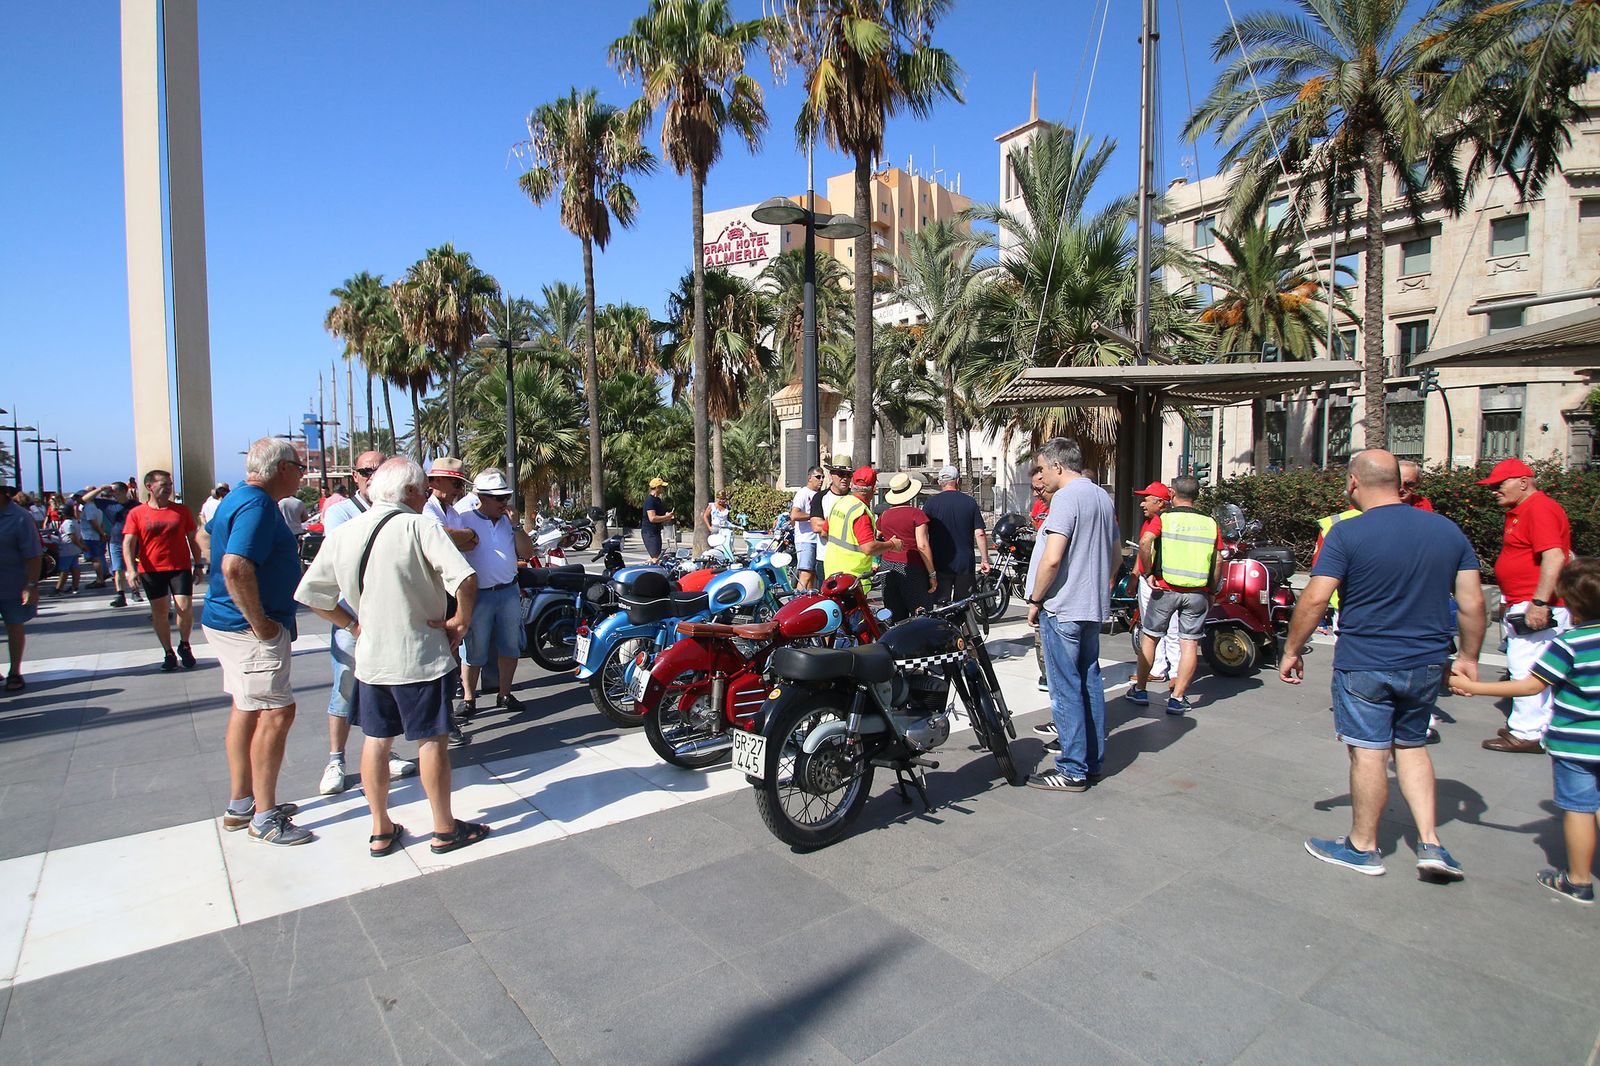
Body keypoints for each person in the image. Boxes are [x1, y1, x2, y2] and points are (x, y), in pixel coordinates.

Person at [1280, 449, 1484, 880]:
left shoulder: (1348, 533)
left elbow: (1316, 597)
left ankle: (1362, 846)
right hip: (1427, 661)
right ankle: (1431, 843)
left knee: (1369, 753)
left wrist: (1292, 649)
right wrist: (1468, 657)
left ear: (1354, 482)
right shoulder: (1447, 531)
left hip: (1366, 661)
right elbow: (1472, 602)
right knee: (1411, 746)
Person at [295, 457, 489, 859]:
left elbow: (313, 595)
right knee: (432, 741)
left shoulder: (346, 532)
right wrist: (461, 621)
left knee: (376, 740)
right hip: (421, 654)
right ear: (412, 492)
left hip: (371, 658)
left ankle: (381, 829)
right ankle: (443, 827)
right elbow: (465, 577)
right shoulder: (420, 526)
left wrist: (352, 625)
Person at [1450, 556, 1600, 904]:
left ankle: (1578, 880)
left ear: (1573, 603)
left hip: (1575, 743)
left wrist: (1474, 687)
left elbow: (1532, 685)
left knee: (1579, 808)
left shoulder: (1570, 644)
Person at [202, 438, 313, 846]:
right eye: (299, 465)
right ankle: (264, 816)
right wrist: (261, 623)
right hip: (248, 631)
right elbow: (235, 566)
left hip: (227, 623)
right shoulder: (257, 506)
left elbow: (206, 537)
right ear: (282, 467)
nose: (302, 473)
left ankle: (242, 803)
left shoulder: (236, 499)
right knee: (277, 712)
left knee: (247, 707)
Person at [316, 451, 421, 791]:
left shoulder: (403, 515)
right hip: (356, 620)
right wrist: (351, 624)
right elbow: (336, 570)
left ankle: (383, 751)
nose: (372, 476)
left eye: (380, 470)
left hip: (394, 622)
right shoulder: (341, 513)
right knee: (345, 688)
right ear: (355, 475)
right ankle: (336, 759)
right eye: (366, 471)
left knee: (384, 691)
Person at [1025, 437, 1118, 792]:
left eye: (1042, 468)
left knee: (1064, 689)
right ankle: (1091, 760)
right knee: (1089, 683)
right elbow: (1115, 555)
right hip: (1091, 606)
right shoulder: (1101, 496)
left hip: (1063, 606)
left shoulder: (1065, 498)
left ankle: (1072, 768)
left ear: (1057, 466)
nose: (1041, 477)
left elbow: (1052, 557)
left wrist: (1036, 598)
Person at [1477, 458, 1574, 753]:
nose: (1494, 490)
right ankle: (1536, 726)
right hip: (1527, 600)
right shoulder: (1524, 509)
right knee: (1533, 667)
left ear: (1523, 481)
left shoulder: (1539, 508)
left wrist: (1539, 602)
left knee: (1526, 669)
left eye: (1499, 484)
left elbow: (1555, 557)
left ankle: (1527, 731)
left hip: (1537, 603)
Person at [1132, 476, 1222, 716]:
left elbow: (1145, 541)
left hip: (1166, 588)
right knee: (1189, 643)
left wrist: (1148, 571)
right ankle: (1178, 698)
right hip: (1197, 592)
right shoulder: (1210, 523)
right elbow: (1218, 559)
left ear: (1172, 494)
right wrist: (1212, 590)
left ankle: (1140, 690)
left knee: (1150, 638)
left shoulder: (1165, 518)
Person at [454, 469, 534, 718]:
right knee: (474, 649)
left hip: (508, 591)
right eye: (499, 499)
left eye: (506, 497)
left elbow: (527, 553)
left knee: (510, 646)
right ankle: (469, 698)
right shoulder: (464, 518)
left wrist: (517, 526)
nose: (504, 503)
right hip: (479, 594)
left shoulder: (509, 522)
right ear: (482, 497)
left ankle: (505, 694)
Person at [122, 469, 203, 671]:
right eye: (163, 485)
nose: (168, 488)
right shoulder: (137, 513)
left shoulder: (181, 511)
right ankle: (168, 652)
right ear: (149, 487)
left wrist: (199, 564)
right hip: (151, 569)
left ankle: (184, 644)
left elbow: (193, 538)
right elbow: (128, 543)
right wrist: (131, 570)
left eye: (169, 485)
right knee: (160, 612)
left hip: (179, 567)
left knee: (184, 608)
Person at [1128, 481, 1180, 691]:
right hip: (1149, 581)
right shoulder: (1149, 522)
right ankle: (1158, 669)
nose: (1142, 503)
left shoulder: (1163, 522)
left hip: (1160, 582)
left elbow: (1145, 547)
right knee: (1151, 626)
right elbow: (1142, 551)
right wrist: (1135, 575)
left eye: (1146, 499)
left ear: (1160, 502)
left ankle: (1175, 671)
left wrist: (1148, 573)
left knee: (1171, 627)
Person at [823, 467, 903, 594]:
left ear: (852, 484)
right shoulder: (860, 512)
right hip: (853, 579)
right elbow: (868, 547)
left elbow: (824, 533)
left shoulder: (840, 503)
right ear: (874, 489)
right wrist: (892, 544)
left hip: (831, 572)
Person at [923, 465, 991, 605]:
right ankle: (962, 627)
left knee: (942, 605)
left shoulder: (930, 504)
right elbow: (980, 533)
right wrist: (985, 560)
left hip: (940, 562)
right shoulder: (969, 502)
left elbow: (922, 535)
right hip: (965, 562)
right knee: (963, 606)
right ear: (958, 481)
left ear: (939, 482)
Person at [876, 473, 936, 621]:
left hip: (887, 565)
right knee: (920, 612)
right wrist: (932, 574)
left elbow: (878, 535)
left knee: (894, 611)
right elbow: (922, 545)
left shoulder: (884, 515)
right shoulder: (917, 514)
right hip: (912, 566)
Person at [0, 484, 43, 693]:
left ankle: (14, 671)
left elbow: (34, 554)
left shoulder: (19, 517)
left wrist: (31, 585)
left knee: (14, 625)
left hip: (13, 583)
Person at [91, 481, 141, 607]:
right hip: (116, 541)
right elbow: (84, 499)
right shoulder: (108, 504)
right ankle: (120, 594)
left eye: (114, 490)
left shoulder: (136, 505)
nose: (111, 493)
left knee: (134, 567)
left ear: (124, 491)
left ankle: (135, 591)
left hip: (134, 541)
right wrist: (100, 488)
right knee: (118, 568)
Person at [422, 458, 480, 552]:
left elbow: (471, 545)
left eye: (462, 485)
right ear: (437, 480)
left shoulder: (452, 511)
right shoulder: (425, 505)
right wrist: (471, 533)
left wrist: (455, 538)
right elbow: (439, 536)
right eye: (457, 484)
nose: (460, 490)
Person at [809, 465, 851, 578]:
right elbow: (816, 526)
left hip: (851, 560)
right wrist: (849, 525)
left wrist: (829, 525)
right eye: (841, 474)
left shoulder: (855, 498)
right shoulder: (820, 497)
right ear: (831, 475)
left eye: (849, 475)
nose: (845, 478)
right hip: (826, 558)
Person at [789, 467, 824, 590]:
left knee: (813, 575)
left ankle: (807, 601)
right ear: (810, 478)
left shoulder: (820, 495)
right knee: (806, 574)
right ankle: (796, 602)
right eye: (818, 477)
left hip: (818, 539)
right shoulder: (803, 493)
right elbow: (794, 515)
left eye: (822, 477)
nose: (821, 480)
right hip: (805, 539)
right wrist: (814, 516)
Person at [52, 501, 85, 595]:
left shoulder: (67, 523)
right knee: (74, 567)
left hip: (67, 549)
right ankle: (75, 587)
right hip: (74, 549)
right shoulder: (75, 522)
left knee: (64, 569)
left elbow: (72, 537)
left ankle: (58, 589)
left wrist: (81, 546)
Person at [78, 491, 107, 588]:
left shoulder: (89, 506)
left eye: (79, 497)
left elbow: (92, 521)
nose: (78, 500)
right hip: (93, 536)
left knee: (94, 558)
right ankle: (100, 577)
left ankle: (100, 579)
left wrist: (101, 533)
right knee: (97, 557)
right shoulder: (94, 506)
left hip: (90, 536)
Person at [641, 477, 673, 565]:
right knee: (655, 558)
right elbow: (652, 518)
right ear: (657, 487)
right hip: (649, 533)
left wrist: (667, 515)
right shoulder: (650, 501)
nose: (663, 489)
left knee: (656, 556)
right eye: (662, 487)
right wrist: (666, 517)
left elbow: (660, 514)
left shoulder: (658, 500)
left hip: (656, 532)